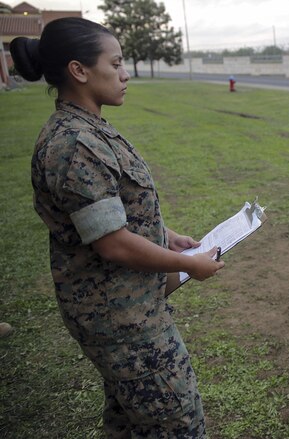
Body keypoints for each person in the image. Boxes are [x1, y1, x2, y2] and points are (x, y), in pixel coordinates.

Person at [11, 17, 224, 437]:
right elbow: (113, 244)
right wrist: (191, 265)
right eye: (117, 63)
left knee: (130, 419)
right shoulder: (74, 143)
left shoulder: (88, 128)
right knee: (178, 423)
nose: (125, 74)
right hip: (121, 318)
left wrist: (167, 236)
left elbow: (115, 215)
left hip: (127, 307)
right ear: (79, 70)